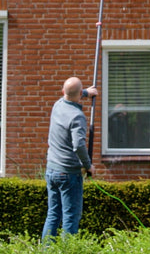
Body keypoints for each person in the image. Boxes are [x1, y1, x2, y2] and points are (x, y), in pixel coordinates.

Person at [42, 76, 97, 239]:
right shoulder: (77, 116)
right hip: (68, 174)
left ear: (62, 92)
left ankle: (46, 250)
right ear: (79, 93)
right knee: (71, 217)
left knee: (53, 215)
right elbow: (78, 145)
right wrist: (88, 165)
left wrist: (86, 92)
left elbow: (71, 93)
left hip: (52, 170)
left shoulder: (57, 105)